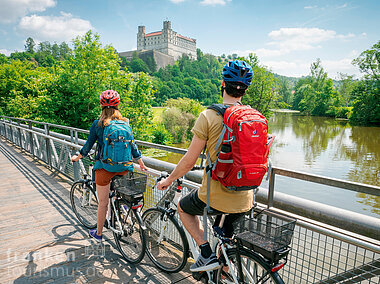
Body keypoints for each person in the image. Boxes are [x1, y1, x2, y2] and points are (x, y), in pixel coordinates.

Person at [157, 60, 254, 272]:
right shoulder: (253, 118)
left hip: (216, 195)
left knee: (183, 207)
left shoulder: (208, 116)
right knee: (226, 243)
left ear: (222, 83)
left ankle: (206, 253)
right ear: (245, 90)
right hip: (246, 197)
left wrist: (169, 179)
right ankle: (225, 273)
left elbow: (189, 161)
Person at [71, 90, 147, 242]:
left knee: (103, 203)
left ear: (101, 105)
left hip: (105, 169)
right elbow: (132, 145)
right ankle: (125, 206)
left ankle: (98, 234)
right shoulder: (125, 123)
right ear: (118, 105)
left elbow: (88, 145)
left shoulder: (98, 124)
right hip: (125, 167)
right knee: (123, 189)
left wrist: (77, 157)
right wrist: (140, 162)